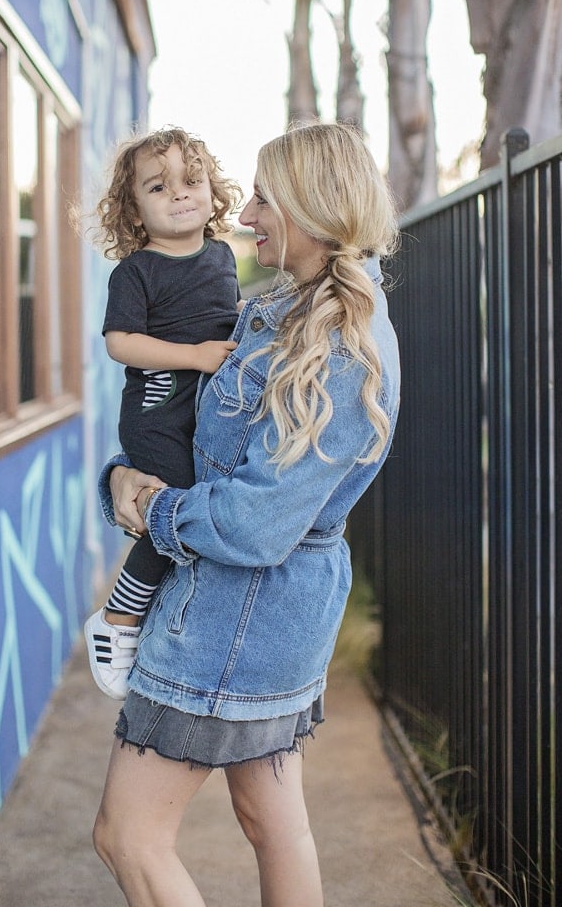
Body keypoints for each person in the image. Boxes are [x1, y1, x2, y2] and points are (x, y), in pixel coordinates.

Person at [91, 122, 401, 907]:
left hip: (232, 626)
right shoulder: (279, 311)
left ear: (309, 206)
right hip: (270, 623)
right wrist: (129, 475)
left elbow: (255, 524)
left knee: (128, 835)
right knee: (274, 826)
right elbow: (196, 440)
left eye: (263, 197)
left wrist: (154, 512)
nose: (246, 213)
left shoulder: (338, 348)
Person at [84, 126, 243, 699]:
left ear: (211, 189)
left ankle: (156, 616)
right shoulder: (136, 272)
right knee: (170, 506)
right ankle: (118, 619)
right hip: (157, 411)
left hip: (205, 410)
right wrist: (194, 358)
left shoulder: (223, 255)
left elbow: (226, 319)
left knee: (195, 504)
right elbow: (120, 342)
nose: (180, 195)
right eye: (158, 187)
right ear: (133, 209)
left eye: (191, 180)